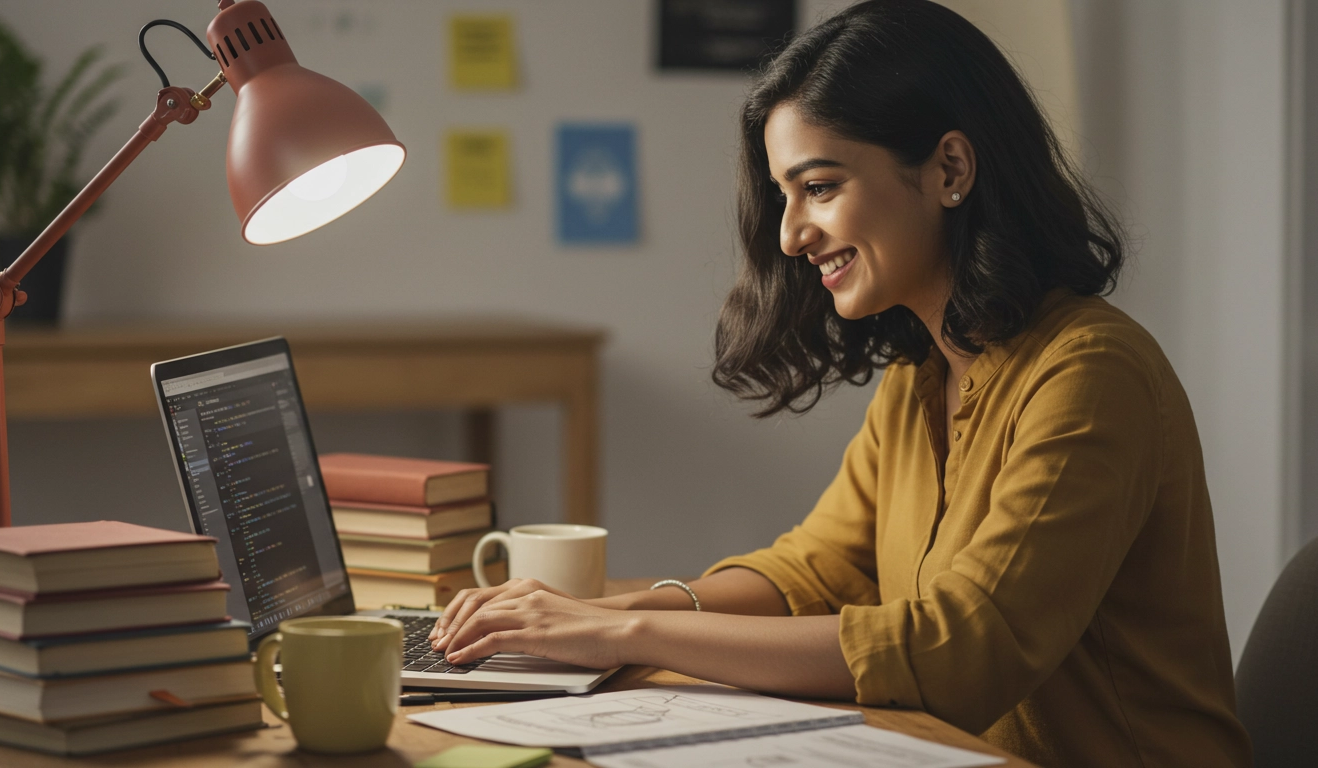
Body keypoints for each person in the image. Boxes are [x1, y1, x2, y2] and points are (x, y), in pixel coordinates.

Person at [428, 1, 1251, 765]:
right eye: (786, 195)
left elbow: (963, 651)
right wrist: (581, 618)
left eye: (819, 187)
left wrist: (627, 634)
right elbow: (811, 574)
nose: (789, 234)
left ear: (950, 168)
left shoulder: (1091, 374)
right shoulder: (923, 377)